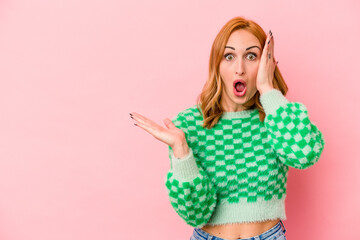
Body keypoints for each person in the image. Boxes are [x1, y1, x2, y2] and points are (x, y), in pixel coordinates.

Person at [129, 16, 325, 240]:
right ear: (217, 64)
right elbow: (196, 214)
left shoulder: (276, 116)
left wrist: (267, 89)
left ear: (265, 64)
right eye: (229, 56)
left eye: (251, 56)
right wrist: (182, 152)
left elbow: (305, 153)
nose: (239, 69)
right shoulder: (188, 125)